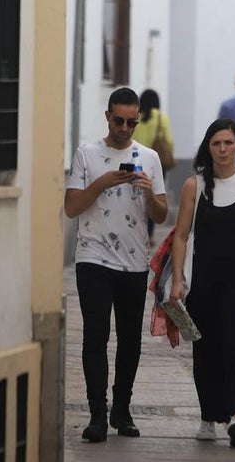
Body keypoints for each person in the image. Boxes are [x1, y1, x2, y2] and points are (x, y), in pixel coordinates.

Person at [64, 87, 169, 443]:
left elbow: (161, 213)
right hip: (93, 258)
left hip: (134, 261)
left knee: (129, 340)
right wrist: (103, 182)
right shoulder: (86, 154)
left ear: (138, 120)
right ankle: (97, 413)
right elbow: (72, 207)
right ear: (107, 117)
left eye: (131, 122)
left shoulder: (150, 158)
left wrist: (149, 190)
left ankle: (122, 409)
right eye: (119, 120)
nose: (125, 128)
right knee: (96, 335)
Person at [169, 118, 235, 448]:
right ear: (209, 148)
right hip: (203, 284)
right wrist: (177, 280)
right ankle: (207, 418)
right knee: (206, 351)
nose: (223, 149)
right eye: (216, 143)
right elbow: (182, 235)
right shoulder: (194, 186)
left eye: (228, 143)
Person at [132, 89, 175, 240]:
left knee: (137, 196)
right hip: (157, 164)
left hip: (137, 162)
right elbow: (169, 140)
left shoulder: (137, 117)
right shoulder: (161, 118)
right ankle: (149, 234)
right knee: (155, 197)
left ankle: (137, 229)